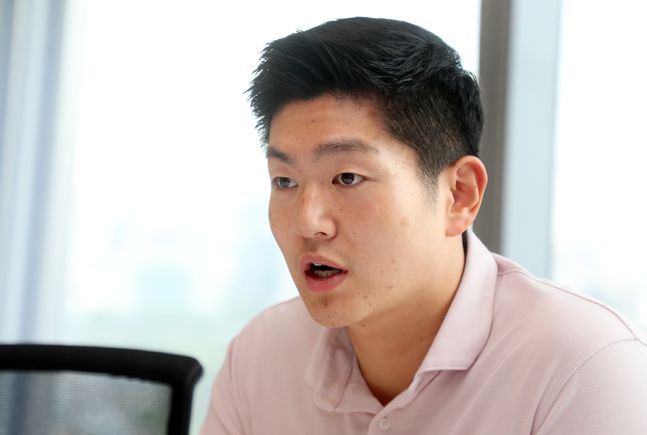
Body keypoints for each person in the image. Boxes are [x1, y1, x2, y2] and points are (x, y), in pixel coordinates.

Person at [200, 17, 647, 434]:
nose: (307, 221)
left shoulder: (583, 368)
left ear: (459, 195)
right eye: (285, 181)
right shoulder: (260, 357)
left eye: (347, 177)